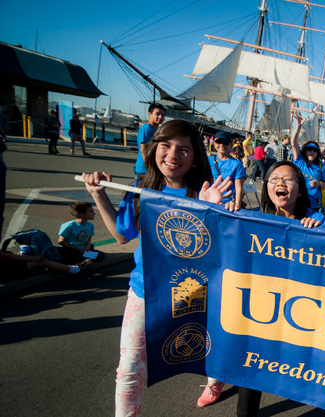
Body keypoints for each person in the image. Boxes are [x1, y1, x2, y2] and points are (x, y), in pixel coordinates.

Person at [81, 120, 230, 416]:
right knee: (129, 370)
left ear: (195, 157)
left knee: (210, 350)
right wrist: (97, 194)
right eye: (166, 145)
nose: (173, 154)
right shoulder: (138, 190)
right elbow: (122, 235)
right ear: (153, 149)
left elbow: (221, 252)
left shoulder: (207, 192)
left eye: (183, 149)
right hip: (144, 291)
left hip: (197, 292)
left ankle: (215, 381)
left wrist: (212, 209)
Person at [230, 160, 325, 415]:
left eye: (289, 179)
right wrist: (224, 210)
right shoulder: (254, 218)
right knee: (251, 372)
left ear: (301, 189)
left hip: (298, 312)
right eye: (274, 179)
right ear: (267, 187)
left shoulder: (315, 220)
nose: (280, 183)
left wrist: (320, 233)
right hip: (261, 309)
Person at [290, 111, 325, 212]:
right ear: (305, 151)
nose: (312, 151)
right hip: (297, 199)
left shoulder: (321, 165)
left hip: (314, 202)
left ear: (317, 152)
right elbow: (293, 143)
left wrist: (319, 184)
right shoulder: (300, 160)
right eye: (309, 149)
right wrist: (298, 126)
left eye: (315, 150)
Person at [57, 201, 105, 265]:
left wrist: (87, 247)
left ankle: (84, 260)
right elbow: (61, 242)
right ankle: (84, 261)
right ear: (82, 215)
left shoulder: (90, 225)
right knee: (73, 257)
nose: (94, 213)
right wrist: (77, 249)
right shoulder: (69, 226)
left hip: (83, 250)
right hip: (70, 250)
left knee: (101, 255)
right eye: (91, 211)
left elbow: (89, 237)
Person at [209, 131, 247, 211]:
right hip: (210, 201)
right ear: (214, 143)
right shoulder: (208, 160)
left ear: (230, 145)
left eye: (225, 142)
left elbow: (239, 188)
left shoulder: (237, 164)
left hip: (227, 205)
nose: (222, 145)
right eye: (218, 142)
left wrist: (237, 205)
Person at [134, 103, 166, 179]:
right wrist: (149, 167)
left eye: (163, 115)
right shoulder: (146, 128)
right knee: (142, 190)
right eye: (157, 114)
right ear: (149, 114)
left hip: (151, 168)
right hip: (144, 170)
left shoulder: (156, 130)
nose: (160, 117)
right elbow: (143, 149)